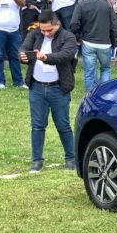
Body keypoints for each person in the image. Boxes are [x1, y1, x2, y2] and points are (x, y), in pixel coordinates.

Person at [20, 10, 77, 173]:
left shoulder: (68, 37)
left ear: (57, 24)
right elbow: (23, 48)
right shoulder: (34, 34)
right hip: (37, 87)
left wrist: (46, 58)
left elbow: (65, 56)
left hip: (59, 87)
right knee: (37, 126)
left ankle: (71, 158)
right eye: (43, 30)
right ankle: (36, 161)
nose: (45, 33)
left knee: (63, 125)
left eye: (49, 30)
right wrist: (22, 56)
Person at [70, 0, 117, 91]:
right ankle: (104, 94)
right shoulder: (107, 4)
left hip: (88, 43)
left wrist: (78, 37)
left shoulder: (81, 5)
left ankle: (90, 96)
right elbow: (114, 25)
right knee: (105, 69)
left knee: (89, 72)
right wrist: (114, 41)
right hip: (105, 43)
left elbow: (74, 24)